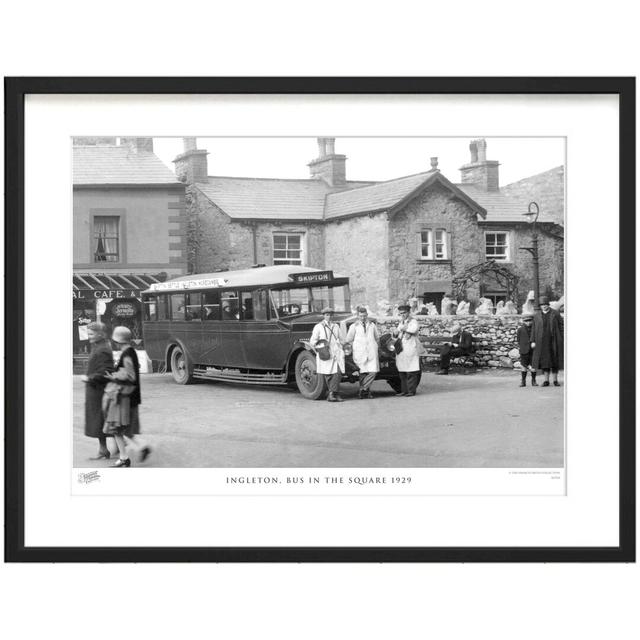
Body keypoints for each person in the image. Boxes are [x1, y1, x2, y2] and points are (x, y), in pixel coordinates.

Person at [102, 326, 151, 467]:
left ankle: (124, 458)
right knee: (125, 430)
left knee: (115, 428)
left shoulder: (127, 354)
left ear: (118, 341)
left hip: (124, 397)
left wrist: (114, 375)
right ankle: (142, 448)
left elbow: (130, 376)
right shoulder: (131, 352)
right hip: (130, 396)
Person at [81, 322, 115, 460]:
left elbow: (106, 371)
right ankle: (104, 449)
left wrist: (89, 379)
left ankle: (115, 445)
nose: (89, 337)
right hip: (95, 390)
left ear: (100, 334)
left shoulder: (102, 349)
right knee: (100, 420)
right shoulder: (99, 347)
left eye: (91, 334)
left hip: (98, 390)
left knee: (102, 419)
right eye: (88, 333)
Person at [310, 307, 346, 402]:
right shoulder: (318, 327)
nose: (329, 317)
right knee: (328, 374)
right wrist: (320, 347)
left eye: (330, 315)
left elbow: (342, 339)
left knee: (337, 372)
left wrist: (344, 346)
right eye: (327, 315)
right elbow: (312, 341)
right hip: (325, 353)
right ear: (324, 316)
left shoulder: (336, 326)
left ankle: (333, 393)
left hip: (335, 352)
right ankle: (333, 394)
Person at [346, 306, 380, 399]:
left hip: (371, 351)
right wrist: (357, 346)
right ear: (358, 316)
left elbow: (377, 338)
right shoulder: (354, 326)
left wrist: (376, 347)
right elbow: (349, 339)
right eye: (361, 316)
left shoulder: (372, 325)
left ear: (367, 315)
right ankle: (366, 393)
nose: (363, 318)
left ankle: (363, 389)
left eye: (364, 316)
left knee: (373, 371)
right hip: (360, 352)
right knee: (363, 373)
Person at [531, 295, 564, 387]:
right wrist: (533, 341)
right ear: (540, 306)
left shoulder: (555, 314)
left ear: (548, 305)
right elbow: (533, 329)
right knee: (545, 361)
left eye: (545, 304)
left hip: (554, 340)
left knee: (554, 361)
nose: (544, 306)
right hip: (542, 342)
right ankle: (546, 381)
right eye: (542, 305)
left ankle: (555, 380)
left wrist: (562, 338)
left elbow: (561, 326)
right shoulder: (537, 316)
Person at [394, 304, 421, 397]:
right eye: (400, 313)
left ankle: (411, 390)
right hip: (402, 349)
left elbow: (413, 330)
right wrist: (396, 332)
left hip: (410, 347)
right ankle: (404, 390)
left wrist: (403, 328)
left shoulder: (413, 321)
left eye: (404, 313)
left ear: (408, 312)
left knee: (411, 371)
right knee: (402, 371)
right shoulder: (401, 322)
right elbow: (398, 332)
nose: (402, 315)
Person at [517, 314, 538, 387]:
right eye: (526, 321)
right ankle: (523, 381)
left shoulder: (535, 329)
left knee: (533, 367)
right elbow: (518, 340)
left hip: (533, 350)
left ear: (532, 321)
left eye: (530, 321)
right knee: (523, 366)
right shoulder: (520, 329)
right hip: (524, 350)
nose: (528, 323)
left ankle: (534, 381)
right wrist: (522, 348)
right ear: (523, 321)